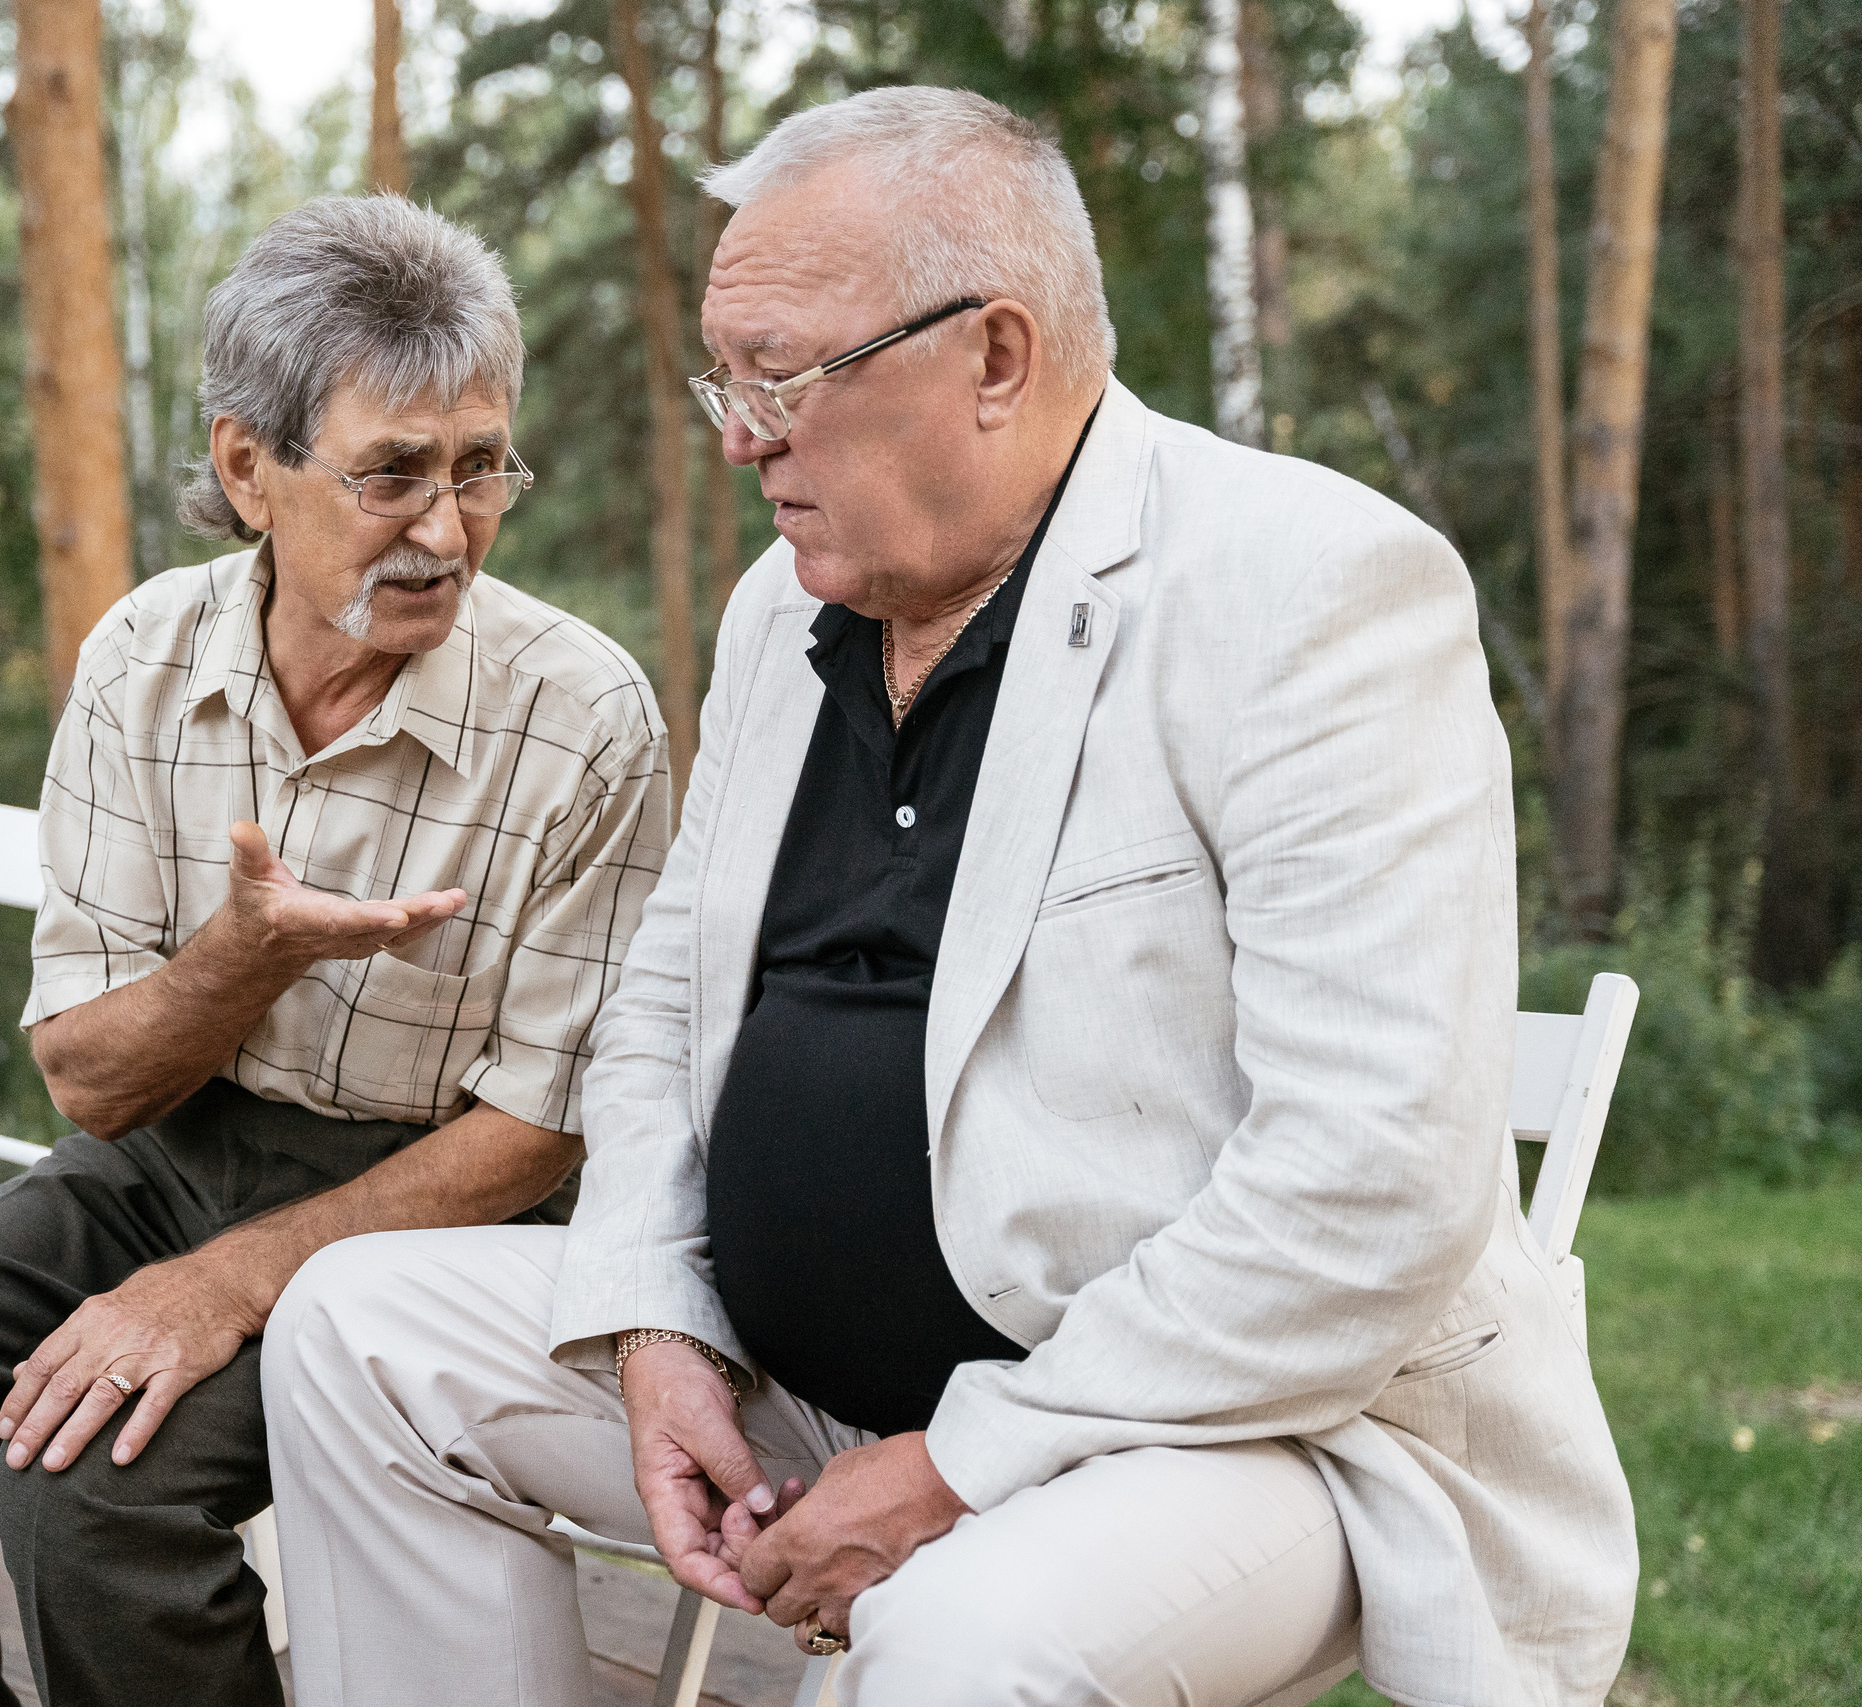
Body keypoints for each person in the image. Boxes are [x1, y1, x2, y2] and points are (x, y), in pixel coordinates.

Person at [261, 89, 1635, 1707]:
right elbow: (670, 1001)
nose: (738, 433)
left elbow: (1369, 1187)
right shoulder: (787, 607)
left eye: (783, 375)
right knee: (358, 1334)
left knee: (965, 1640)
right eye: (727, 375)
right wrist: (654, 1325)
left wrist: (958, 1466)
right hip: (810, 1383)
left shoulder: (1308, 588)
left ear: (995, 355)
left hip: (1228, 1427)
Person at [0, 195, 669, 1707]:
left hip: (440, 1218)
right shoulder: (143, 659)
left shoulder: (586, 717)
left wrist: (229, 1282)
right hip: (163, 1160)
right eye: (390, 475)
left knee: (90, 1500)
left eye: (479, 467)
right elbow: (91, 1087)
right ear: (251, 468)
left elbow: (536, 1134)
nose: (446, 529)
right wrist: (241, 963)